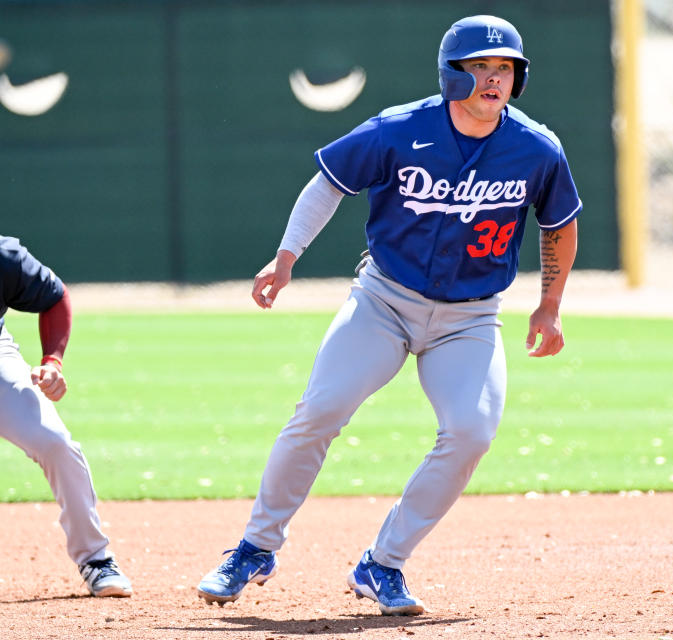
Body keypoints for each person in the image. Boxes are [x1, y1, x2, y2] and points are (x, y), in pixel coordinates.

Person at [197, 14, 580, 615]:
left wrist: (550, 305)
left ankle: (383, 564)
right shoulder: (401, 129)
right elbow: (327, 184)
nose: (493, 78)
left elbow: (559, 224)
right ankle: (254, 547)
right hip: (384, 301)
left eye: (504, 67)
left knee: (471, 432)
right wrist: (285, 257)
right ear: (451, 75)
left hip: (471, 318)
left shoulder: (536, 148)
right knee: (319, 410)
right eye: (479, 66)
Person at [0, 235, 133, 598]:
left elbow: (55, 296)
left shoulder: (4, 256)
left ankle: (96, 558)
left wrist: (52, 362)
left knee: (55, 443)